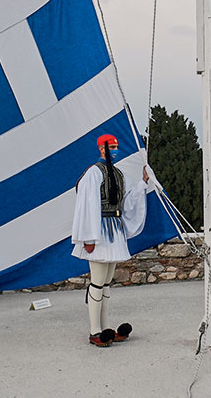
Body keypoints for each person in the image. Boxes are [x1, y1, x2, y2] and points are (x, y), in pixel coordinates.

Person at [71, 134, 153, 347]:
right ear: (101, 149)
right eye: (112, 147)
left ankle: (105, 328)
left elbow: (125, 203)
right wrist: (88, 237)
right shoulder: (93, 173)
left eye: (117, 146)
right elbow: (87, 205)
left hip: (114, 231)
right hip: (98, 232)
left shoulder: (118, 173)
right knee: (97, 282)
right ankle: (95, 331)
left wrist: (143, 183)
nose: (115, 150)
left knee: (106, 283)